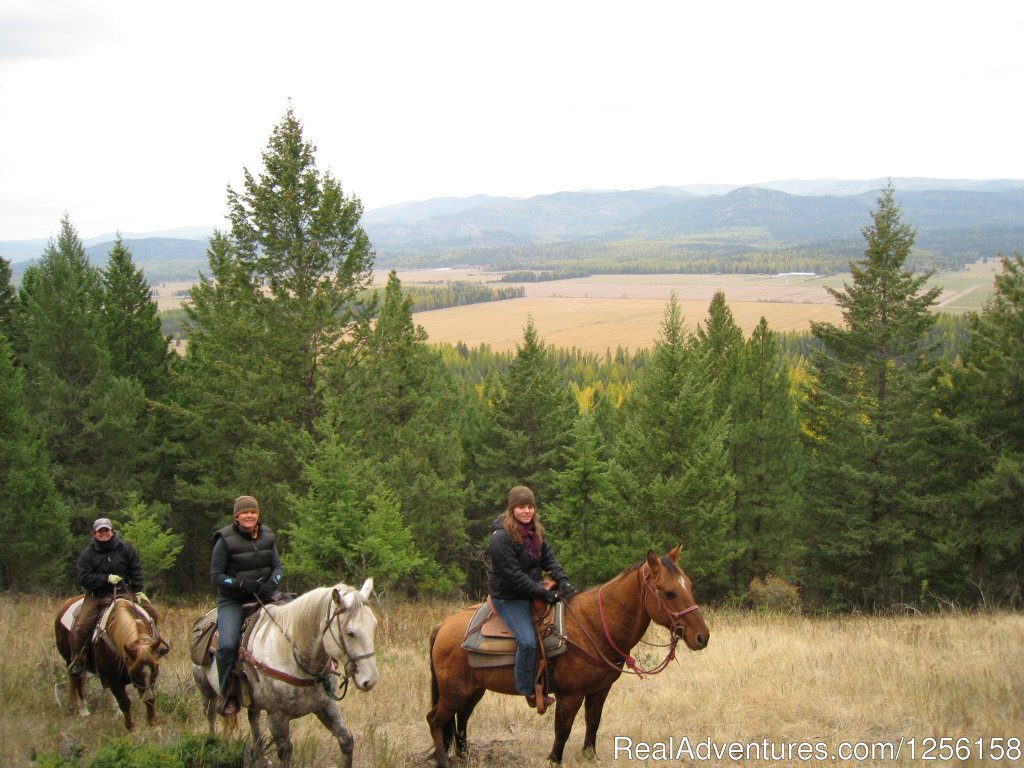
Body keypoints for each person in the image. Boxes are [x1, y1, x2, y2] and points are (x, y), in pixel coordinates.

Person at [488, 485, 575, 712]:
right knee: (527, 641)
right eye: (521, 507)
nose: (526, 511)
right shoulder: (501, 538)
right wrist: (545, 592)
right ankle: (526, 688)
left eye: (530, 507)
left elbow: (548, 557)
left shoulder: (533, 532)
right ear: (511, 510)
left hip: (532, 591)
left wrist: (562, 579)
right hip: (509, 597)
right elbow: (514, 578)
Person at [210, 494, 283, 716]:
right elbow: (216, 576)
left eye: (253, 512)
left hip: (264, 594)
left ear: (258, 514)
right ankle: (228, 693)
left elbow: (278, 567)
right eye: (245, 512)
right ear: (237, 516)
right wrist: (241, 583)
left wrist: (272, 583)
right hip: (233, 599)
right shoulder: (224, 539)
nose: (249, 515)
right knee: (228, 645)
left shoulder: (268, 535)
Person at [68, 517, 156, 675]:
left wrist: (137, 590)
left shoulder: (125, 548)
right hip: (97, 595)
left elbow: (135, 568)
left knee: (152, 613)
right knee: (82, 626)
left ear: (112, 531)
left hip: (123, 591)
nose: (104, 534)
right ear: (94, 534)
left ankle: (151, 648)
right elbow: (83, 577)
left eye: (106, 530)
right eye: (100, 531)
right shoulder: (87, 554)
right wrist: (105, 578)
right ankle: (79, 658)